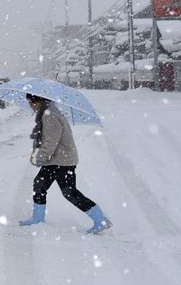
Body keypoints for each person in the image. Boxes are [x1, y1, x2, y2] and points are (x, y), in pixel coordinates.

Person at [18, 93, 112, 234]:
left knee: (70, 192)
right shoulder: (47, 112)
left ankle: (101, 220)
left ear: (38, 101)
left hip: (62, 161)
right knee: (39, 184)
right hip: (55, 160)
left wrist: (39, 158)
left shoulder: (50, 115)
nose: (30, 105)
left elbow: (50, 142)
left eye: (31, 102)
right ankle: (37, 218)